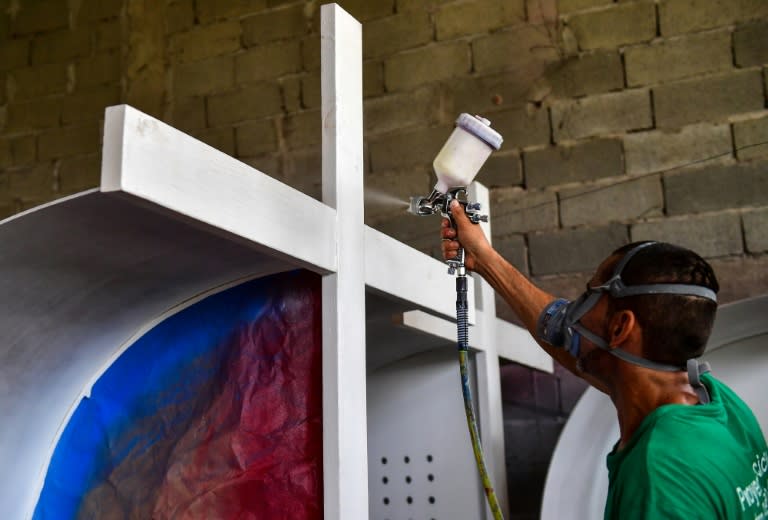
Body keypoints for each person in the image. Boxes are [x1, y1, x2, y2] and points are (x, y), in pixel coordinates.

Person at [440, 199, 768, 519]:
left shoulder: (659, 476)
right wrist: (484, 259)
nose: (575, 309)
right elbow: (571, 345)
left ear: (620, 327)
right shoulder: (720, 405)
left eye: (590, 295)